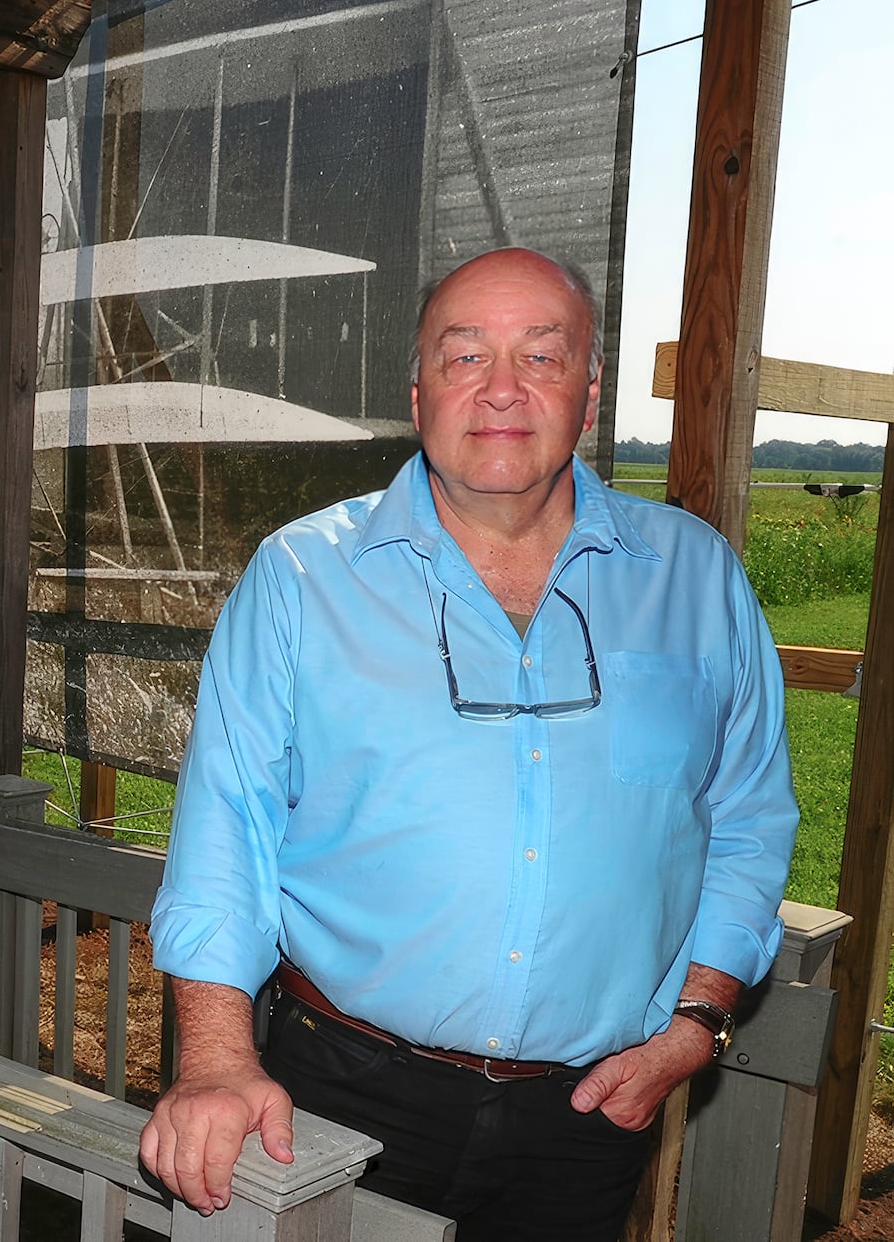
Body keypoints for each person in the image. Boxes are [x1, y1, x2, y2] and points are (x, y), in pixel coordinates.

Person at [143, 247, 796, 1242]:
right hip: (339, 1093)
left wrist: (696, 1020)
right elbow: (226, 834)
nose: (500, 388)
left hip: (589, 1114)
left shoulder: (697, 579)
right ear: (417, 392)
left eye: (541, 355)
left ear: (587, 394)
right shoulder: (300, 577)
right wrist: (217, 1062)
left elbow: (746, 816)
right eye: (464, 356)